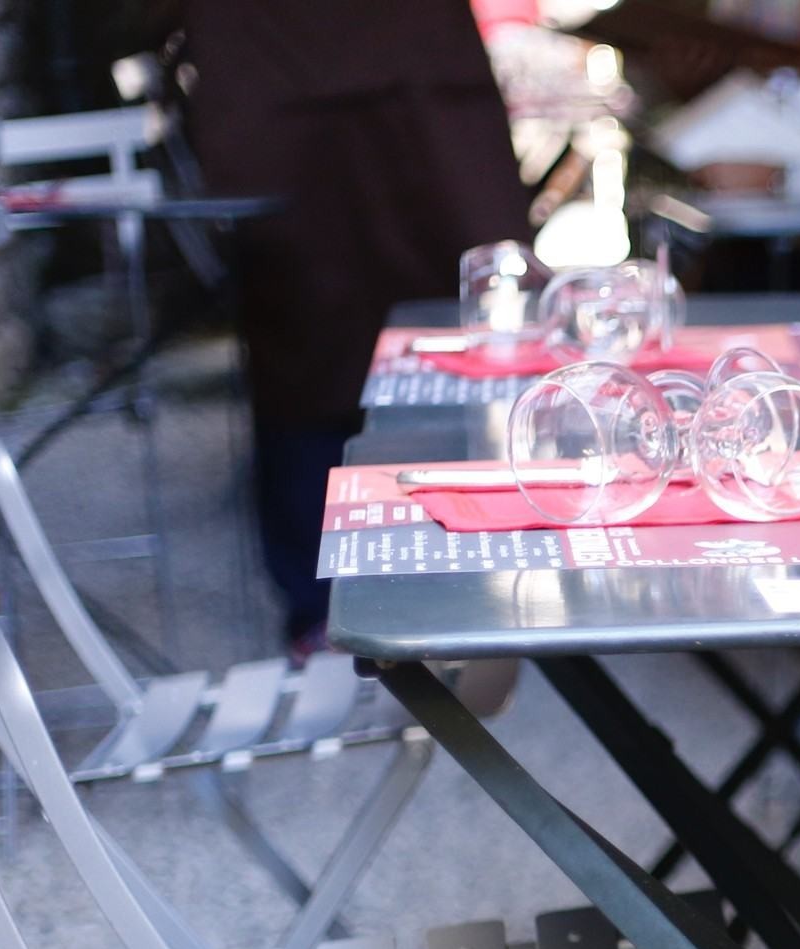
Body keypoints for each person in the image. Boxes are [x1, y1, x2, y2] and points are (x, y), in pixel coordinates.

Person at [172, 0, 531, 653]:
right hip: (290, 119)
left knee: (455, 344)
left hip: (420, 114)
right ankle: (322, 597)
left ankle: (455, 564)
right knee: (308, 353)